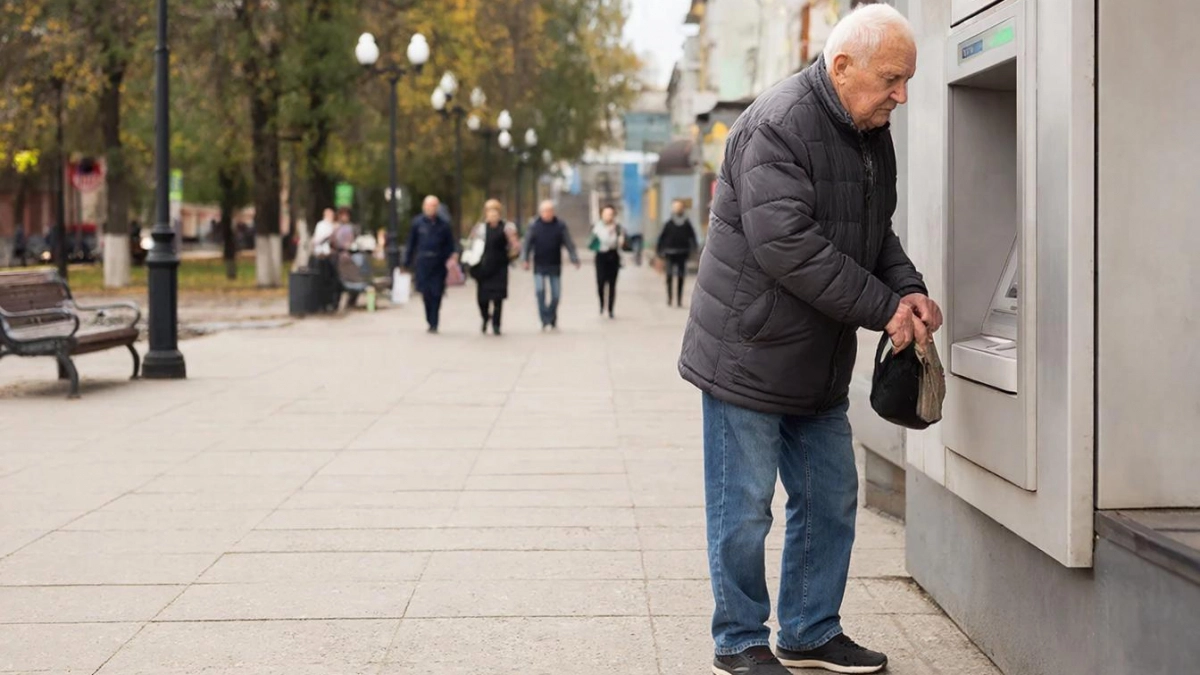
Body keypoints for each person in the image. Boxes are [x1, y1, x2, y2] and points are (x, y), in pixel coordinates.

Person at [677, 6, 943, 674]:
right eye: (892, 78)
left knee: (830, 498)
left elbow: (871, 229)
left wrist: (906, 285)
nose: (902, 95)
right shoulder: (776, 123)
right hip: (748, 354)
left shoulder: (866, 127)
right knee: (743, 510)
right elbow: (787, 247)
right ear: (842, 65)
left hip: (817, 361)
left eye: (907, 80)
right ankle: (739, 638)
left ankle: (808, 629)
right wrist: (884, 308)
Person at [522, 200, 579, 330]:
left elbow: (568, 242)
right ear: (540, 212)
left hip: (554, 264)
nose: (547, 214)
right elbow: (527, 244)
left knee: (556, 295)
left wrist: (574, 257)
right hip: (539, 265)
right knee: (540, 291)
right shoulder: (534, 226)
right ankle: (544, 318)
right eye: (544, 211)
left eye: (549, 211)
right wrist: (525, 259)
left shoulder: (560, 225)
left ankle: (551, 315)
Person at [405, 195, 458, 333]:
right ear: (424, 207)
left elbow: (450, 244)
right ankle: (429, 318)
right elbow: (411, 243)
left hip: (438, 262)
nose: (431, 208)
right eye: (428, 206)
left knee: (437, 292)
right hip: (423, 262)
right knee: (426, 293)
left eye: (434, 206)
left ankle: (434, 321)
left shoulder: (444, 224)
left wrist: (452, 255)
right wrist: (406, 262)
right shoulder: (417, 223)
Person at [469, 199, 520, 335]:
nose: (492, 215)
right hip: (483, 267)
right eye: (489, 212)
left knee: (498, 298)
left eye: (495, 212)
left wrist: (512, 255)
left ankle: (497, 324)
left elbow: (515, 246)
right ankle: (486, 317)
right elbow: (471, 245)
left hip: (499, 267)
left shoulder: (507, 228)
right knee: (482, 299)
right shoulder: (479, 229)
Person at [656, 199, 699, 307]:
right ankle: (670, 297)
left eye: (680, 207)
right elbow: (662, 238)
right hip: (670, 252)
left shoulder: (686, 223)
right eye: (675, 207)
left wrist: (694, 249)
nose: (678, 209)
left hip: (682, 252)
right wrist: (659, 251)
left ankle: (679, 299)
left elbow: (692, 237)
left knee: (681, 276)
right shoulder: (669, 223)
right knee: (669, 275)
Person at [590, 204, 625, 318]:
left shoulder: (618, 227)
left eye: (610, 214)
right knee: (600, 282)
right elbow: (597, 240)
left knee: (612, 284)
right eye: (606, 214)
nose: (608, 216)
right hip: (601, 256)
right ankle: (601, 304)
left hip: (613, 255)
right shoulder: (597, 227)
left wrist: (621, 241)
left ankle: (610, 309)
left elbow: (621, 241)